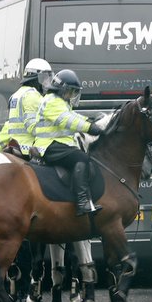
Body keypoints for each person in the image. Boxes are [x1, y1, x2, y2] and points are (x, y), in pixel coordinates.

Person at [32, 69, 104, 215]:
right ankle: (82, 202)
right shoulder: (52, 102)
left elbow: (73, 116)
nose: (72, 95)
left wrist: (90, 121)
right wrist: (90, 128)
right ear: (62, 89)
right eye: (71, 91)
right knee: (81, 158)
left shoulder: (60, 102)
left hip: (56, 144)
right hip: (48, 145)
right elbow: (68, 120)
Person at [0, 58, 53, 157]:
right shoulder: (33, 96)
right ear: (36, 78)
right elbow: (36, 127)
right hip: (30, 151)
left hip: (15, 148)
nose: (46, 82)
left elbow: (9, 126)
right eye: (44, 78)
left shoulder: (15, 95)